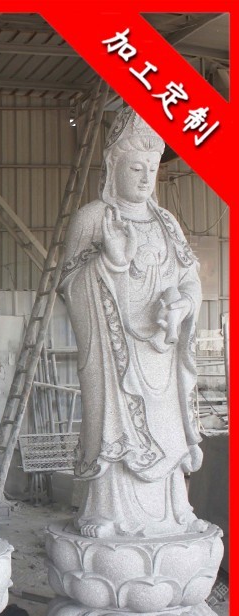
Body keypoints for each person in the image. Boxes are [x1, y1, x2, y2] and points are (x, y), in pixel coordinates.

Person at [59, 106, 207, 538]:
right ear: (114, 168)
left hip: (161, 351)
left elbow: (189, 276)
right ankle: (106, 512)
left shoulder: (167, 223)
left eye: (151, 169)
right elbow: (69, 284)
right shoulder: (93, 218)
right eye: (135, 168)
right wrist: (112, 262)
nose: (145, 178)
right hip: (111, 352)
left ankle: (173, 510)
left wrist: (182, 304)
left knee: (166, 428)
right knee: (115, 427)